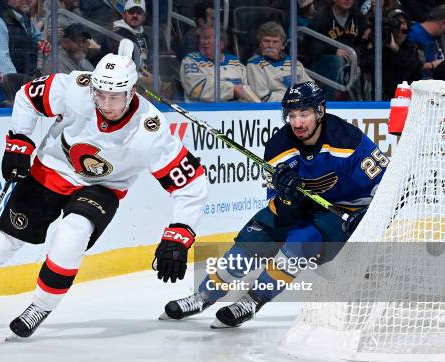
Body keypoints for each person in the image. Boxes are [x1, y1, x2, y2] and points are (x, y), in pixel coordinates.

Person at [0, 39, 208, 339]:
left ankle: (40, 306)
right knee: (2, 243)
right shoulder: (76, 89)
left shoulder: (150, 131)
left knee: (73, 232)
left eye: (114, 98)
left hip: (102, 186)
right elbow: (28, 96)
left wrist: (179, 234)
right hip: (52, 170)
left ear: (132, 92)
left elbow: (192, 183)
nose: (105, 105)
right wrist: (19, 142)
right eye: (100, 95)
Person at [161, 81, 387, 329]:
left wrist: (368, 216)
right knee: (244, 251)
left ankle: (252, 301)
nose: (297, 123)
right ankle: (203, 297)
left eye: (304, 114)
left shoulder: (348, 141)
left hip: (342, 209)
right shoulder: (279, 146)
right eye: (291, 115)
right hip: (298, 206)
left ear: (320, 112)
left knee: (300, 243)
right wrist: (287, 195)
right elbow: (277, 201)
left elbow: (387, 187)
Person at [180, 26, 258, 102]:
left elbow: (247, 89)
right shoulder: (191, 60)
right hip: (204, 112)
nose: (205, 42)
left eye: (208, 38)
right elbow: (197, 89)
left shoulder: (235, 61)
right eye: (202, 38)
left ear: (222, 44)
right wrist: (232, 90)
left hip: (238, 110)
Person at [247, 21, 313, 102]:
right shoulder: (254, 65)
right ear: (260, 43)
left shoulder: (294, 63)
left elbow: (311, 89)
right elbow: (263, 98)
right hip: (272, 110)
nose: (270, 45)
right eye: (266, 41)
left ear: (282, 45)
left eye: (275, 42)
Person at [406, 5, 445, 79]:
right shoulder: (413, 34)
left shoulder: (435, 37)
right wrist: (433, 65)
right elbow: (407, 65)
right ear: (443, 23)